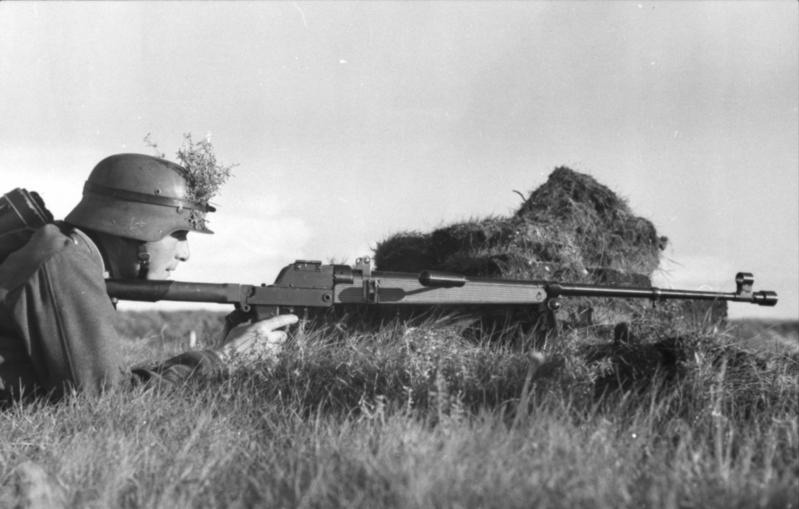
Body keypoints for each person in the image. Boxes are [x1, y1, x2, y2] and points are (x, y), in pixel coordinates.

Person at [0, 153, 297, 404]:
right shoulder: (66, 262)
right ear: (136, 226)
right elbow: (103, 401)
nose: (185, 253)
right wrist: (224, 360)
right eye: (179, 234)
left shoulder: (67, 251)